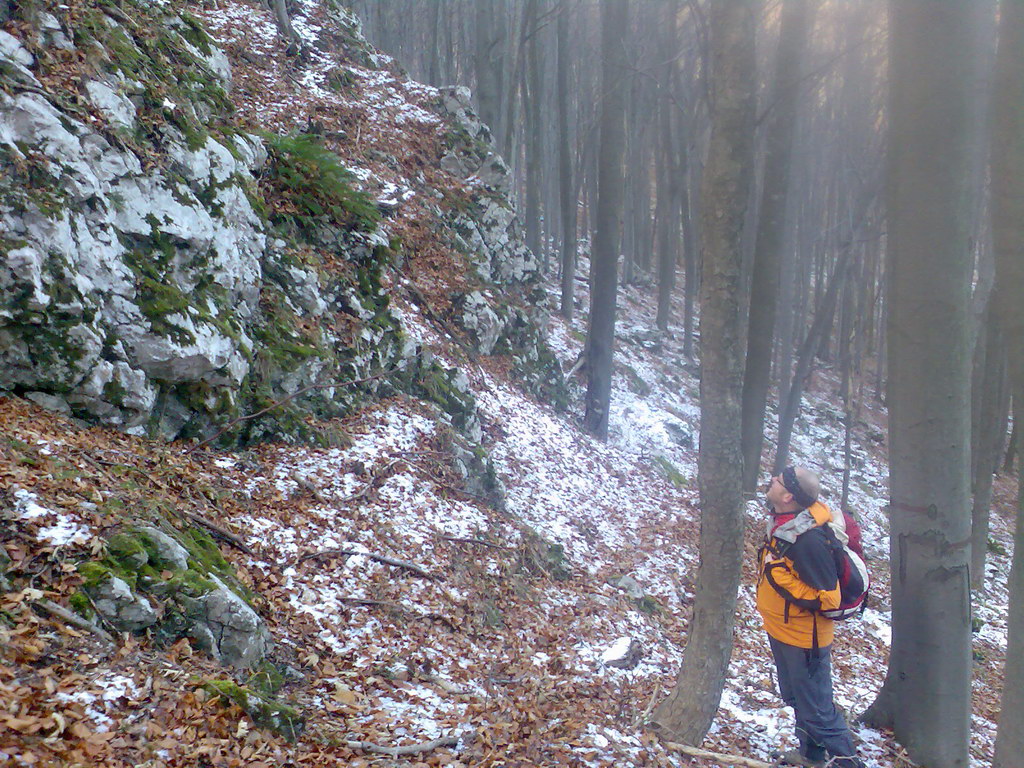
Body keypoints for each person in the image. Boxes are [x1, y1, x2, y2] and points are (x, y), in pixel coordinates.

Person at [756, 466, 866, 768]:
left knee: (818, 710)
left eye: (777, 480)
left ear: (788, 495)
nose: (772, 480)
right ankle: (811, 757)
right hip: (782, 630)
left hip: (805, 640)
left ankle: (848, 763)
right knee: (797, 700)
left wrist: (778, 576)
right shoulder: (785, 523)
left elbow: (828, 598)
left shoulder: (809, 540)